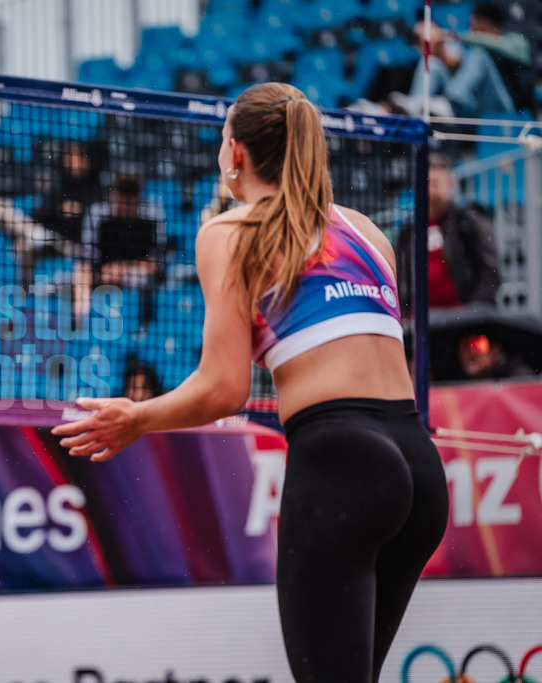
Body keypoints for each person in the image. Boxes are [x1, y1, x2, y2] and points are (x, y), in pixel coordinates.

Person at [52, 82, 449, 683]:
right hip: (420, 467)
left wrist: (137, 417)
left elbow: (223, 390)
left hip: (343, 459)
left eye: (221, 143)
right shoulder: (370, 234)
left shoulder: (230, 234)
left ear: (235, 154)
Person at [396, 152, 499, 314]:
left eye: (436, 184)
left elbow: (490, 272)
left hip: (460, 322)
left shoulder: (467, 223)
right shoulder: (408, 232)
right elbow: (401, 278)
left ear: (449, 184)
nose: (430, 192)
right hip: (420, 323)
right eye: (425, 184)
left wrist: (473, 313)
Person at [0, 140, 105, 286]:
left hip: (71, 245)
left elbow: (96, 223)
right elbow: (40, 213)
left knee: (23, 243)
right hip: (46, 237)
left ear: (87, 161)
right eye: (69, 155)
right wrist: (59, 210)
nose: (71, 160)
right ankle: (25, 297)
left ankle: (33, 236)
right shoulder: (59, 183)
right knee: (1, 208)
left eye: (77, 157)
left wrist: (80, 211)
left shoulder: (97, 191)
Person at [389, 2, 533, 118]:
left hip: (506, 109)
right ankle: (417, 105)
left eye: (473, 24)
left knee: (479, 56)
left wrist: (455, 36)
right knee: (432, 62)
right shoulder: (474, 47)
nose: (471, 29)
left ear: (484, 24)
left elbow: (520, 54)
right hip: (474, 106)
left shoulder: (515, 41)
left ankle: (449, 104)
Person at [72, 170, 167, 322]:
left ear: (138, 197)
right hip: (99, 273)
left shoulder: (153, 216)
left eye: (130, 196)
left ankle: (141, 327)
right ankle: (79, 322)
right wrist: (100, 273)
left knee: (139, 278)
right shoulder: (96, 214)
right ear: (112, 195)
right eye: (120, 195)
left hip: (134, 273)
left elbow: (156, 265)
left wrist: (122, 268)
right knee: (79, 272)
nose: (124, 203)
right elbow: (85, 259)